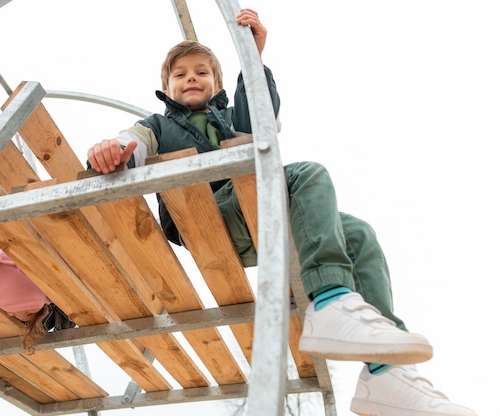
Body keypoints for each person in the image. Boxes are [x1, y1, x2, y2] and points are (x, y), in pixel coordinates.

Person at [86, 8, 476, 416]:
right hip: (206, 220)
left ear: (216, 83)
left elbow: (261, 126)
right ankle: (330, 301)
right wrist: (111, 151)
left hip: (253, 217)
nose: (191, 79)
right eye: (180, 75)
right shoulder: (157, 126)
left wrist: (252, 62)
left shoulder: (230, 119)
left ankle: (385, 375)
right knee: (305, 174)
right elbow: (133, 144)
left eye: (201, 72)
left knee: (357, 232)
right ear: (166, 87)